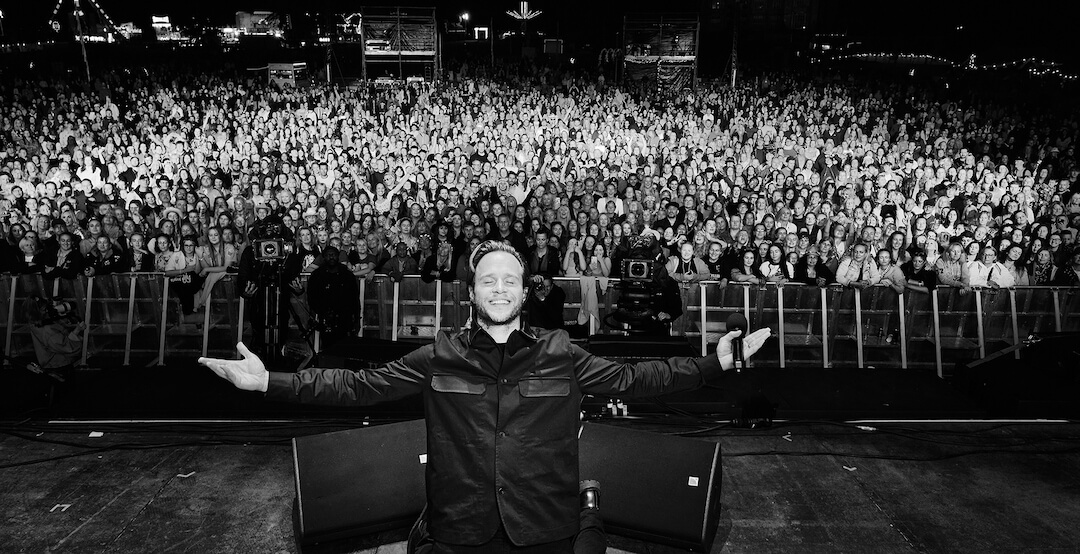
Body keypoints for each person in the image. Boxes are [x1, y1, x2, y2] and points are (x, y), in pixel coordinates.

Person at [200, 240, 772, 553]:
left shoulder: (561, 351)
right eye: (487, 280)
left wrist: (714, 362)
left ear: (526, 291)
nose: (499, 289)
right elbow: (355, 386)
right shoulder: (439, 353)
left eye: (509, 280)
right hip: (460, 530)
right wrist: (266, 381)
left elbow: (638, 378)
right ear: (471, 292)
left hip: (545, 530)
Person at [306, 246, 359, 347]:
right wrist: (317, 313)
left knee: (344, 348)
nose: (331, 257)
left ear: (338, 256)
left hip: (344, 318)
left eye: (333, 254)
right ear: (324, 257)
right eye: (328, 255)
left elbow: (354, 299)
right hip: (325, 317)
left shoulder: (347, 275)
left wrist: (356, 319)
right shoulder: (317, 275)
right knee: (327, 348)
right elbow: (311, 297)